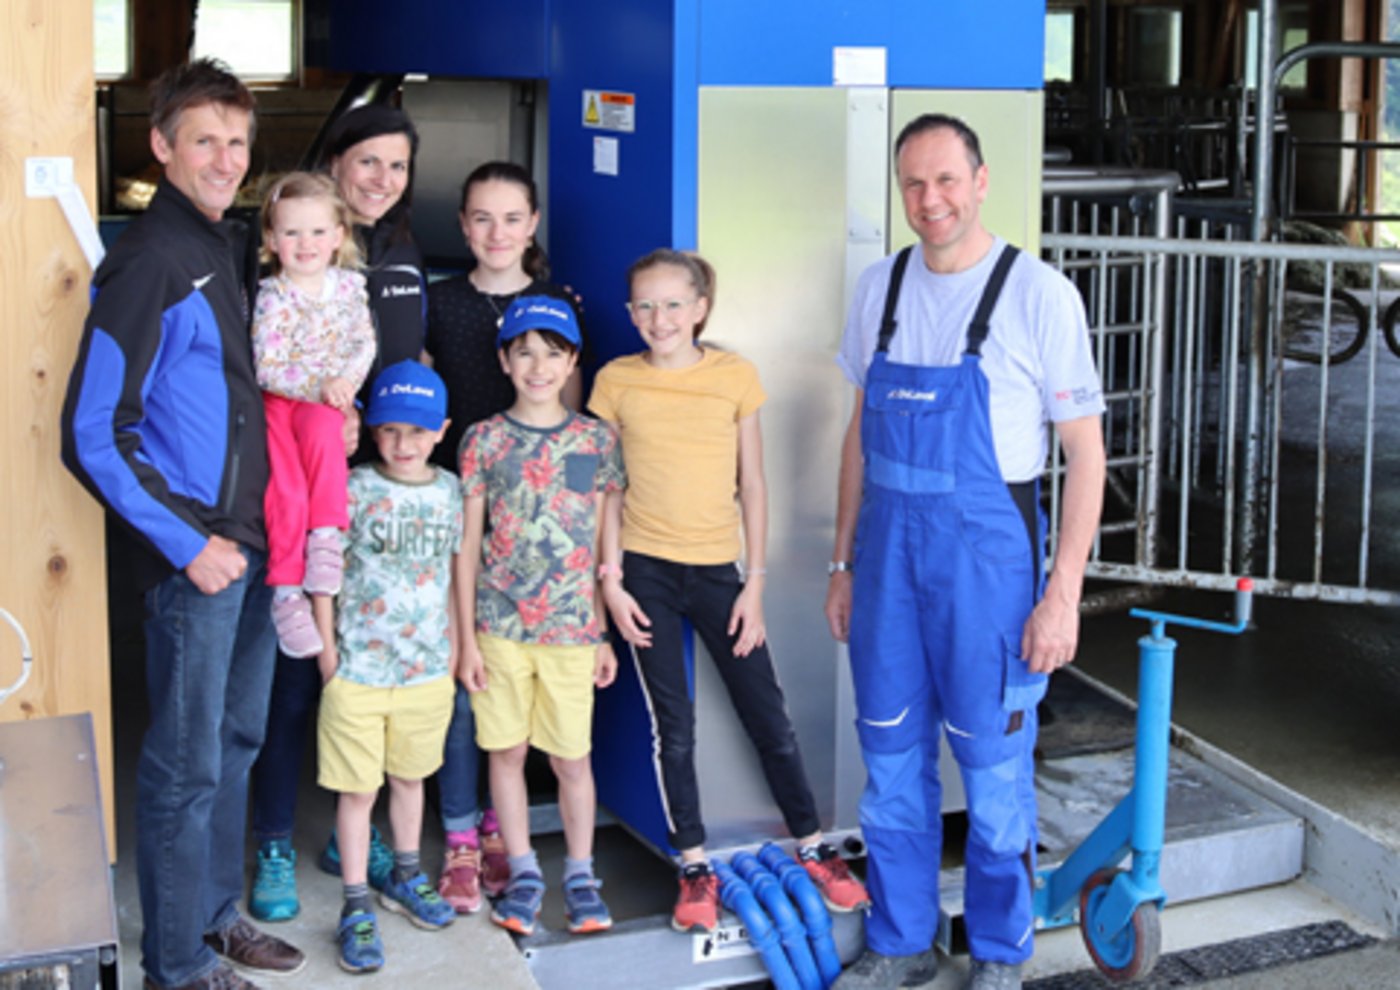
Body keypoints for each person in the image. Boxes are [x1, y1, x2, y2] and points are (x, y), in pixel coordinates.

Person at [823, 114, 1107, 990]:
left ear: (982, 181)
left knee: (992, 774)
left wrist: (1062, 596)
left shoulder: (1038, 293)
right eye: (913, 184)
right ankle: (904, 940)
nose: (930, 200)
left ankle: (999, 955)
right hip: (885, 569)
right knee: (891, 762)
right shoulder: (881, 286)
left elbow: (1086, 454)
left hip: (987, 566)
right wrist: (841, 563)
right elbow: (857, 440)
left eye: (946, 180)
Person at [60, 58, 305, 990]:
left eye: (238, 142)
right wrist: (187, 544)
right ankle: (174, 966)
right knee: (181, 767)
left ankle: (210, 917)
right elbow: (91, 433)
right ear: (161, 147)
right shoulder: (152, 261)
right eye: (204, 139)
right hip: (197, 554)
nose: (225, 158)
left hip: (248, 544)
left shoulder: (221, 243)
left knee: (235, 744)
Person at [590, 249, 872, 935]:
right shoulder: (614, 381)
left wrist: (756, 585)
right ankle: (693, 866)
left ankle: (813, 849)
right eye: (645, 306)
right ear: (631, 313)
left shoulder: (735, 376)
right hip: (643, 572)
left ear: (701, 309)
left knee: (768, 718)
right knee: (674, 729)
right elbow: (601, 487)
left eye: (673, 304)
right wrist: (610, 584)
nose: (660, 318)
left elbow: (756, 483)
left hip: (721, 574)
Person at [248, 102, 425, 922]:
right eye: (369, 163)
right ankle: (276, 839)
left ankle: (350, 835)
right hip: (300, 474)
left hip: (371, 489)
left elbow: (397, 354)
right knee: (294, 677)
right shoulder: (284, 255)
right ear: (335, 161)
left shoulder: (394, 249)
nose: (384, 180)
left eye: (398, 166)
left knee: (358, 674)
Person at [422, 161, 585, 911]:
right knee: (468, 679)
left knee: (518, 701)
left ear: (534, 222)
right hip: (460, 500)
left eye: (512, 218)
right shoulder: (439, 301)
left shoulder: (557, 305)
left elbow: (575, 436)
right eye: (481, 218)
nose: (496, 233)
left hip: (535, 530)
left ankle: (498, 826)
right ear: (462, 224)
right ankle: (463, 836)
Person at [457, 296, 624, 937]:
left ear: (572, 361)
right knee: (507, 751)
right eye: (523, 351)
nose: (537, 366)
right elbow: (468, 544)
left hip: (572, 630)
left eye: (553, 353)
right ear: (503, 360)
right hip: (499, 628)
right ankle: (524, 873)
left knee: (571, 758)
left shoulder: (594, 439)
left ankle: (581, 875)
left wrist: (603, 626)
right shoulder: (484, 440)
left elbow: (605, 531)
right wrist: (467, 636)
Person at [313, 360, 461, 973]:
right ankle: (353, 904)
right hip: (358, 673)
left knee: (410, 780)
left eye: (418, 433)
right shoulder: (350, 487)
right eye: (390, 431)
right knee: (358, 792)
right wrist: (327, 658)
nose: (404, 445)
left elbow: (457, 573)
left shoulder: (451, 490)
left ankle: (403, 876)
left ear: (442, 430)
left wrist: (454, 652)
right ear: (372, 431)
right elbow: (322, 576)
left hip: (426, 673)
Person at [252, 171, 375, 660]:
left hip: (324, 402)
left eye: (318, 231)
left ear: (339, 236)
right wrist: (317, 385)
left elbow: (362, 343)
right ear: (271, 239)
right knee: (284, 487)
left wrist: (344, 384)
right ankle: (286, 592)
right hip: (280, 400)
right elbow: (267, 365)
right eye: (292, 232)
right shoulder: (273, 295)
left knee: (326, 435)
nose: (306, 243)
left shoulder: (349, 288)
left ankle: (327, 535)